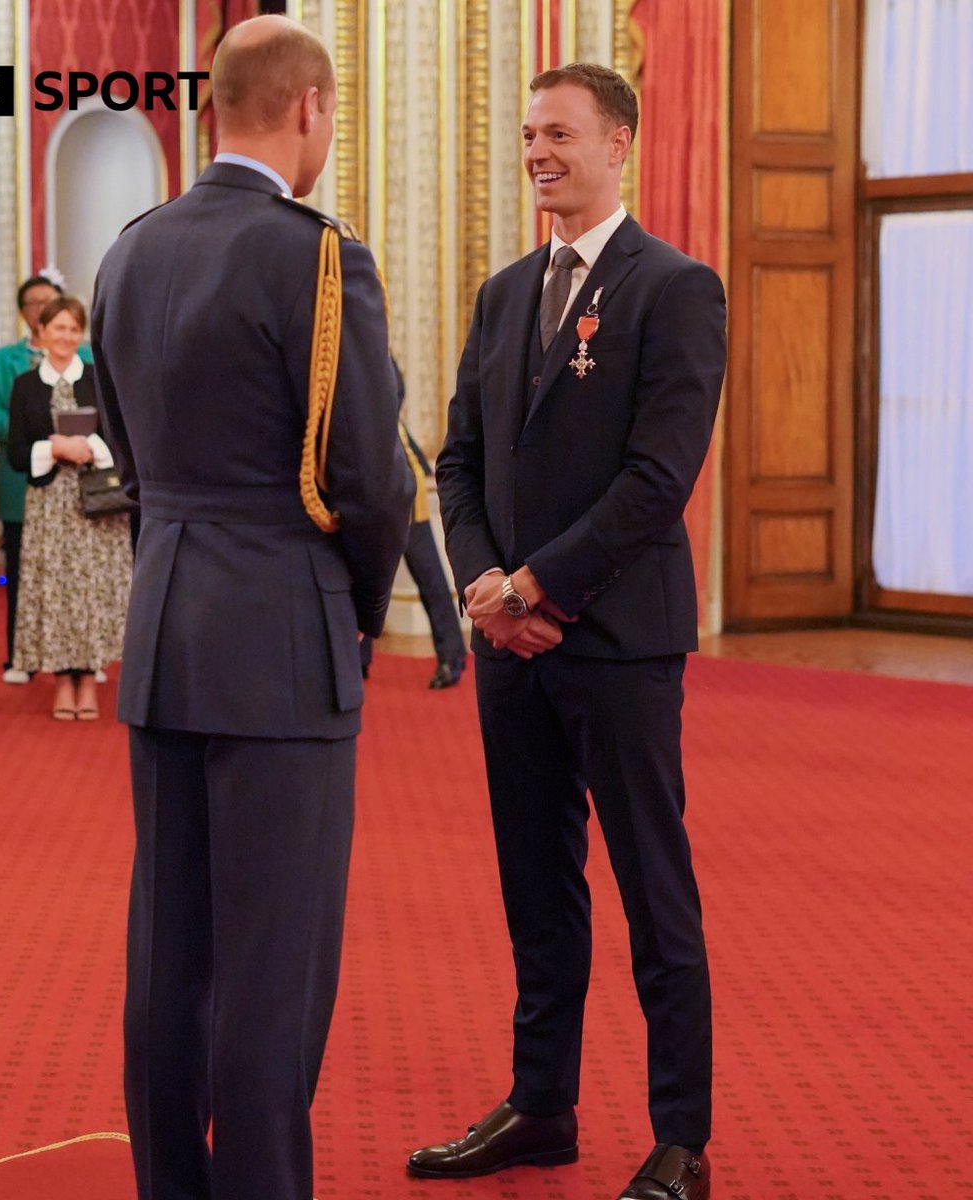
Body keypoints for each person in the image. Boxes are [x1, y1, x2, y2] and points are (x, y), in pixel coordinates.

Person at [91, 15, 413, 1200]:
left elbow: (124, 450)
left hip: (163, 628)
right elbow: (368, 481)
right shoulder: (317, 257)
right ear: (311, 110)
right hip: (281, 637)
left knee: (169, 955)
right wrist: (359, 616)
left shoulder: (129, 250)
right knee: (273, 971)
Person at [409, 64, 725, 1200]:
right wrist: (488, 587)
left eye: (561, 133)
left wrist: (542, 588)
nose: (538, 151)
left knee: (654, 892)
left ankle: (680, 1140)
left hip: (618, 643)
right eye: (529, 134)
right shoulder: (504, 295)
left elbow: (658, 479)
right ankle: (542, 1106)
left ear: (620, 143)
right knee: (535, 888)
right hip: (511, 646)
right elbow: (455, 462)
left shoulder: (676, 288)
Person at [6, 296, 130, 720]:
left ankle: (90, 677)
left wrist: (89, 447)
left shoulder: (99, 379)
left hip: (96, 502)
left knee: (92, 590)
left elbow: (121, 437)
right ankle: (62, 680)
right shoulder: (25, 385)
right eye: (57, 328)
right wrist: (54, 447)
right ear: (41, 333)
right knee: (54, 592)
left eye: (73, 329)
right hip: (48, 505)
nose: (65, 336)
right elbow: (16, 453)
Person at [0, 272, 92, 684]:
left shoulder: (90, 362)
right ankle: (20, 654)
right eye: (34, 304)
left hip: (84, 478)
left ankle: (84, 657)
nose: (42, 309)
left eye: (51, 301)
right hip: (22, 473)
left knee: (81, 573)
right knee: (23, 567)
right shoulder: (2, 361)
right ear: (30, 316)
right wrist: (42, 438)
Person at [361, 363, 467, 688]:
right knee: (362, 572)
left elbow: (392, 393)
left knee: (427, 571)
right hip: (368, 476)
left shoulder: (377, 350)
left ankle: (452, 654)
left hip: (400, 475)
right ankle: (360, 659)